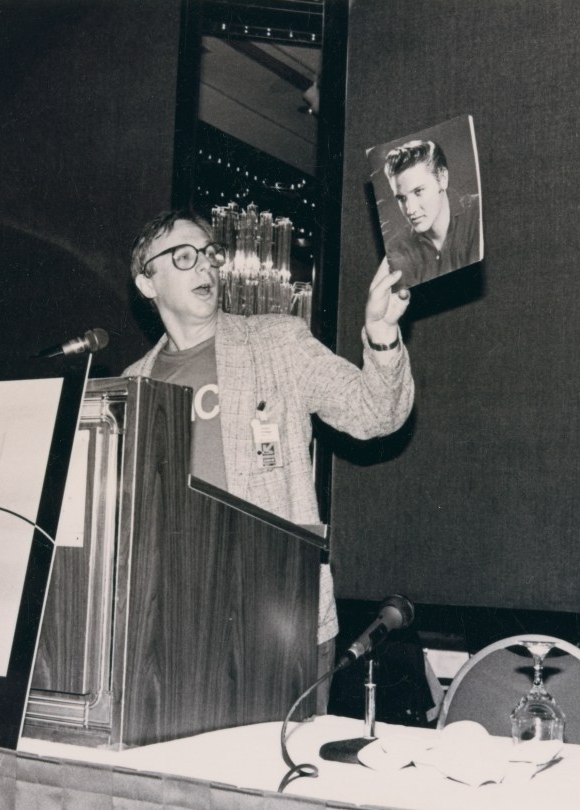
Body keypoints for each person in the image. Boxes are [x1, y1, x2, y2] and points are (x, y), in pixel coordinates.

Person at [123, 210, 414, 701]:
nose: (206, 268)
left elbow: (375, 413)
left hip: (278, 622)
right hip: (171, 629)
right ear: (147, 283)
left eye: (210, 255)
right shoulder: (132, 386)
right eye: (184, 257)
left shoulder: (276, 342)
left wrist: (382, 336)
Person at [383, 139, 481, 288]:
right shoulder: (396, 249)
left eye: (418, 191)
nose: (410, 210)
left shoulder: (478, 212)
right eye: (401, 198)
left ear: (442, 179)